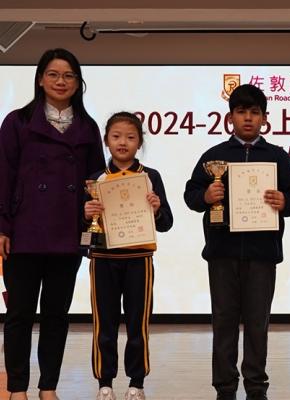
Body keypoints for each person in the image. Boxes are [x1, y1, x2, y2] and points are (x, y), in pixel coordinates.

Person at [184, 84, 290, 400]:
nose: (247, 118)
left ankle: (256, 386)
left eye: (254, 112)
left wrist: (285, 201)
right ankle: (224, 387)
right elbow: (191, 195)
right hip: (221, 253)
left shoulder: (277, 156)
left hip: (263, 254)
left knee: (257, 323)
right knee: (223, 321)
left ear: (265, 118)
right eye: (241, 112)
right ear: (230, 117)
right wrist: (206, 196)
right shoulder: (213, 156)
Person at [0, 48, 105, 400]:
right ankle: (17, 389)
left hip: (67, 232)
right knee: (19, 314)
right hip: (23, 232)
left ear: (78, 83)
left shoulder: (88, 127)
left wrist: (91, 226)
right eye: (54, 74)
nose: (61, 81)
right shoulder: (17, 122)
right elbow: (3, 177)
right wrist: (2, 227)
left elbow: (95, 182)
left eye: (69, 76)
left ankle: (48, 387)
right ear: (40, 79)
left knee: (56, 315)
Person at [83, 112, 173, 400]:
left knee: (138, 324)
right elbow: (82, 227)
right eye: (116, 136)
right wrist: (86, 214)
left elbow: (167, 222)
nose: (123, 142)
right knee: (104, 324)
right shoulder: (95, 178)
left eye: (131, 137)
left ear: (140, 143)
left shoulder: (150, 177)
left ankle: (137, 383)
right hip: (103, 259)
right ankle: (104, 384)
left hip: (139, 259)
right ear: (106, 141)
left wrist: (156, 209)